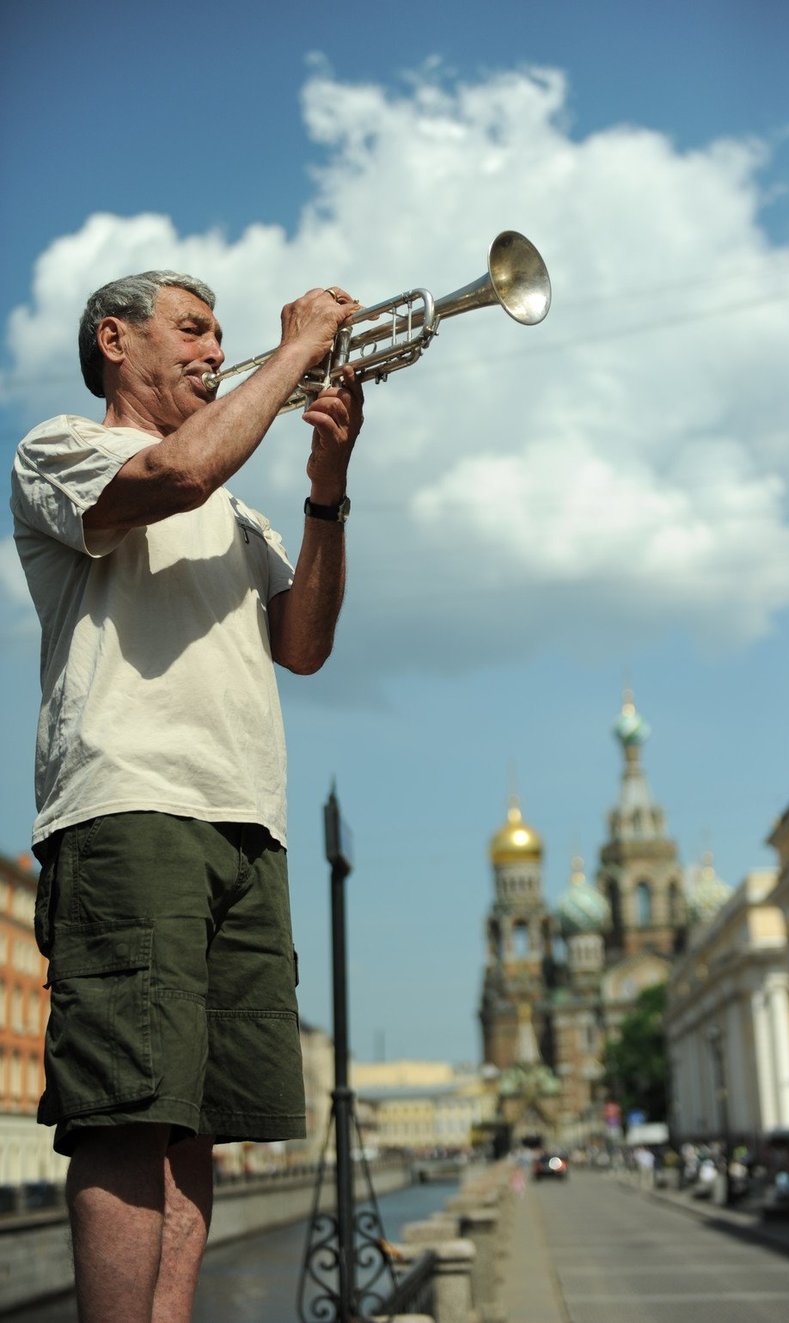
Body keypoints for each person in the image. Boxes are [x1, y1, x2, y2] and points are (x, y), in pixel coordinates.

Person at [10, 269, 364, 1322]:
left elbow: (303, 645)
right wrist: (298, 351)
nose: (219, 349)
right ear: (115, 341)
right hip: (129, 805)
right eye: (195, 331)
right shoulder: (65, 448)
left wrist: (327, 488)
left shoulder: (239, 503)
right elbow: (175, 474)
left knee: (195, 1118)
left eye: (225, 335)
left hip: (244, 820)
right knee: (127, 1113)